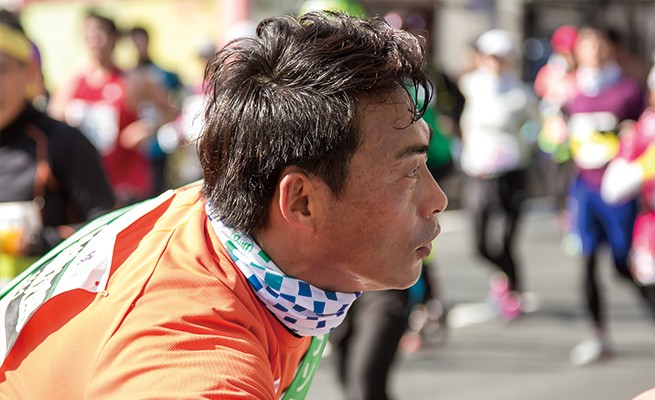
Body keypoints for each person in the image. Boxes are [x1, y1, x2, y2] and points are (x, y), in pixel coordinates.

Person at [0, 11, 448, 399]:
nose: (438, 199)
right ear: (300, 202)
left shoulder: (231, 227)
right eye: (409, 171)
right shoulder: (193, 360)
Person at [0, 10, 114, 286]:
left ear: (28, 71)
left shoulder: (62, 141)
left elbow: (110, 228)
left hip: (47, 302)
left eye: (1, 69)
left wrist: (38, 241)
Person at [562, 25, 653, 366]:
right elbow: (560, 133)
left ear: (611, 48)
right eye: (585, 43)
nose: (592, 49)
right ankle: (597, 335)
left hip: (618, 191)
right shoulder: (570, 90)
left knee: (625, 264)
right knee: (586, 262)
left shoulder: (628, 90)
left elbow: (644, 131)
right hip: (584, 187)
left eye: (598, 42)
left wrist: (627, 135)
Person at [48, 11, 176, 206]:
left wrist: (147, 127)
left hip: (127, 185)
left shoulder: (133, 80)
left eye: (98, 34)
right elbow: (52, 120)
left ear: (114, 38)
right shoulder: (73, 82)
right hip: (87, 185)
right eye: (87, 36)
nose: (93, 41)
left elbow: (170, 109)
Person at [457, 29, 538, 321]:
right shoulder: (469, 85)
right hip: (478, 172)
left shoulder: (520, 94)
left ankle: (513, 289)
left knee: (506, 240)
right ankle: (503, 277)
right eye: (489, 57)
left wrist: (523, 144)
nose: (493, 63)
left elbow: (537, 125)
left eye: (499, 58)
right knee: (479, 244)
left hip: (511, 173)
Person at [130, 26, 184, 196]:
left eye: (142, 40)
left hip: (159, 141)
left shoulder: (165, 74)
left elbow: (176, 105)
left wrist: (154, 126)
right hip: (136, 146)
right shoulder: (127, 76)